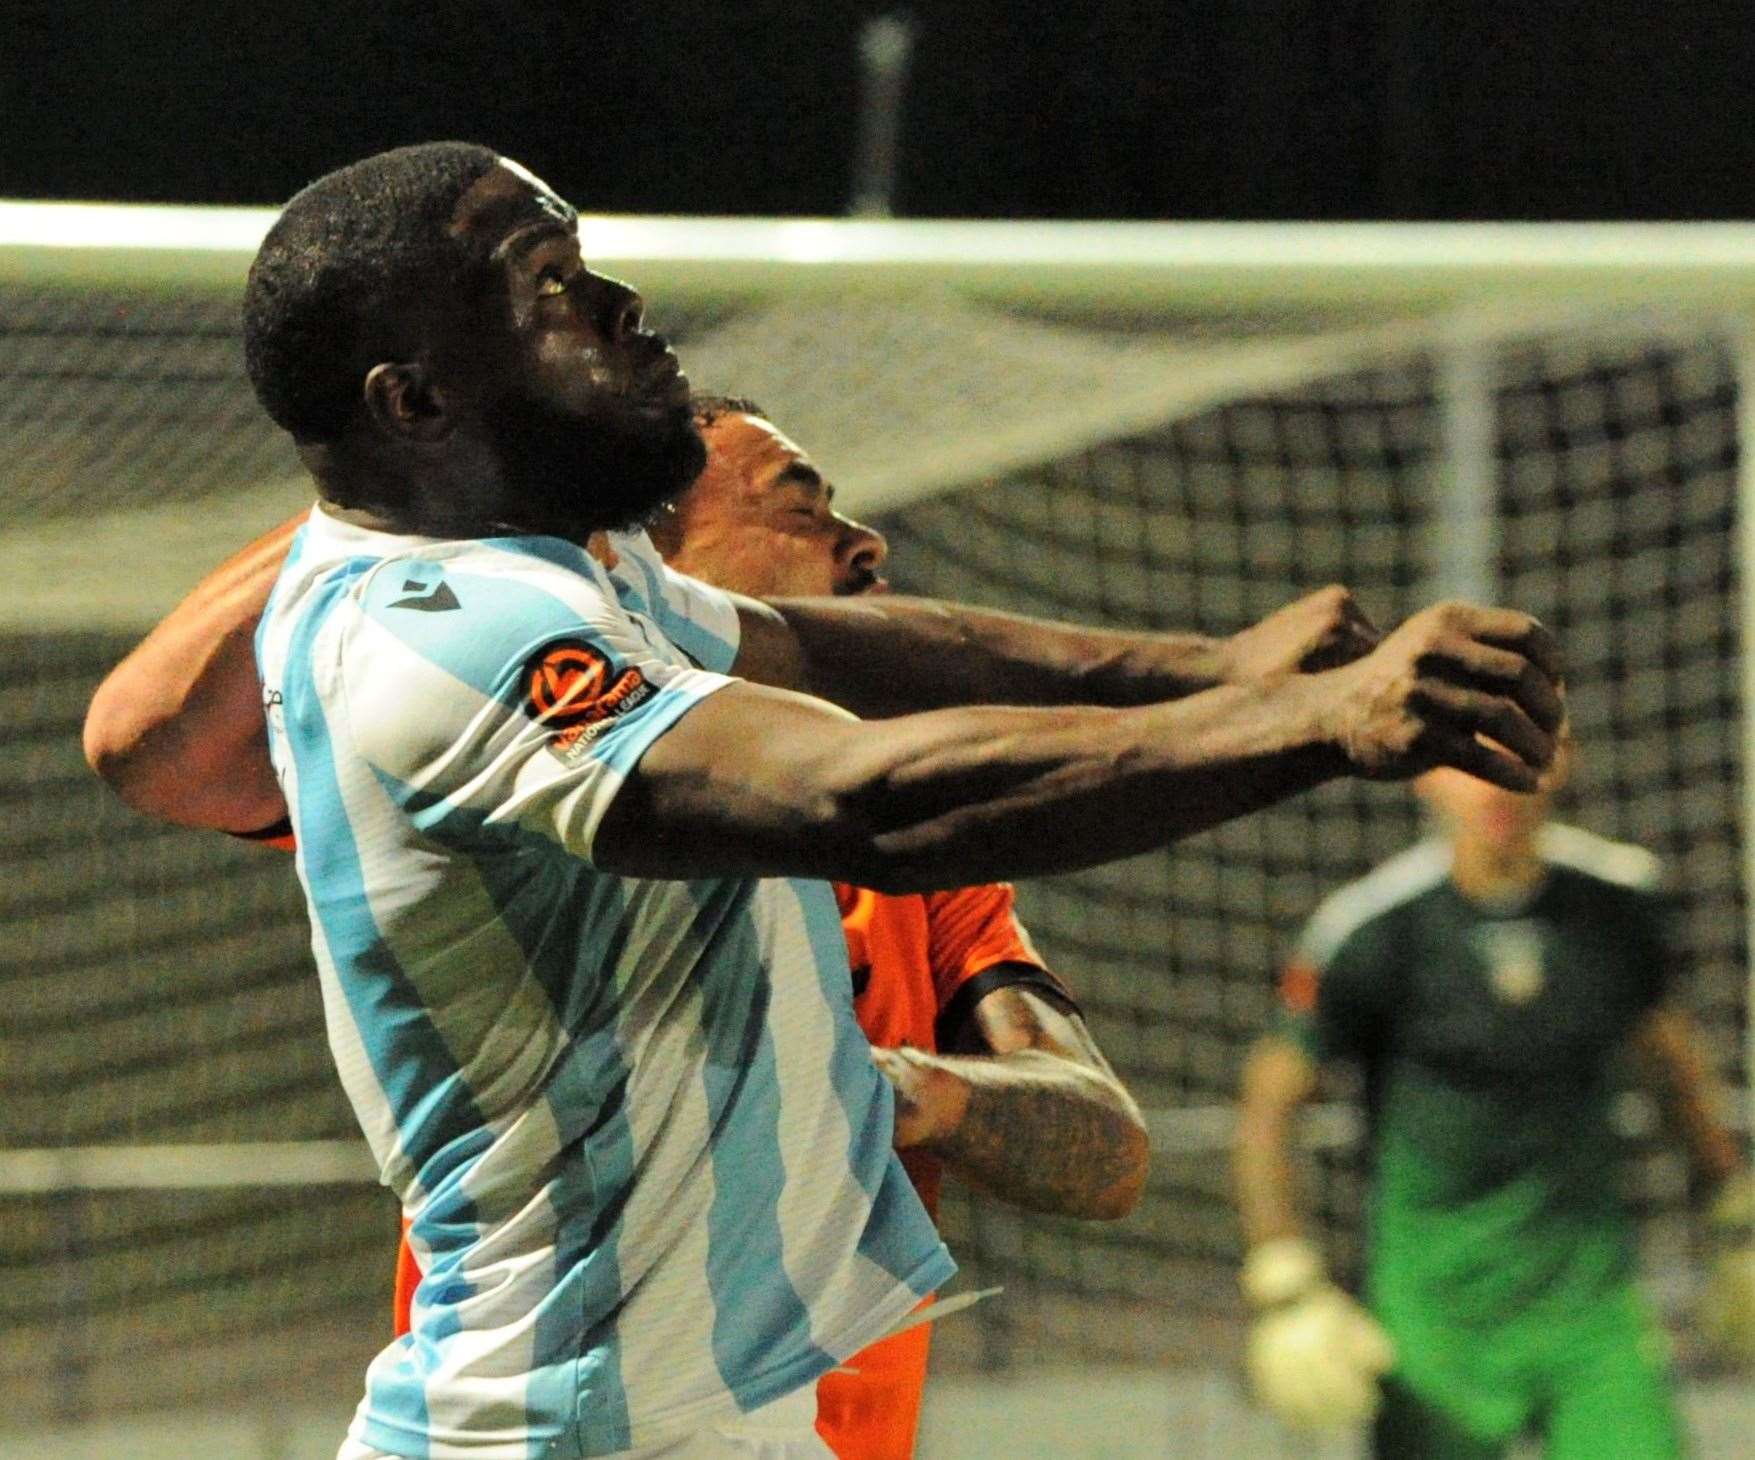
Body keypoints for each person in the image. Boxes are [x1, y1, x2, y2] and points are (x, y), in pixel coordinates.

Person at [84, 141, 1565, 1460]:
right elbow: (858, 802)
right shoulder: (437, 629)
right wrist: (1307, 726)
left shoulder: (582, 586)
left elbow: (858, 658)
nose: (620, 308)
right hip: (548, 1424)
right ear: (412, 401)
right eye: (547, 287)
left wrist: (1216, 670)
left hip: (717, 1420)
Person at [1231, 749, 1754, 1457]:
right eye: (1466, 761)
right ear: (1423, 773)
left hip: (1588, 1309)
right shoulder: (1371, 928)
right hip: (1434, 1320)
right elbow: (1269, 1104)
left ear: (1560, 759)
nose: (1493, 786)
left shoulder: (1618, 900)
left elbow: (1669, 1061)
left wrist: (1732, 1208)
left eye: (1518, 756)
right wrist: (1283, 1276)